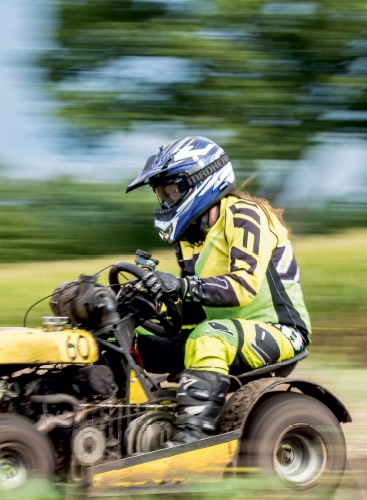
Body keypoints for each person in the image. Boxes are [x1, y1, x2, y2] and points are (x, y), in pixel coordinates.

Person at [124, 136, 311, 446]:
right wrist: (147, 308)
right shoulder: (189, 238)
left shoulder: (245, 215)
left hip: (280, 330)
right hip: (221, 330)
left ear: (202, 179)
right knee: (123, 340)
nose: (167, 200)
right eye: (162, 194)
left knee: (207, 337)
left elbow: (242, 287)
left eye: (173, 190)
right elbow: (194, 308)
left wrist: (180, 286)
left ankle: (188, 441)